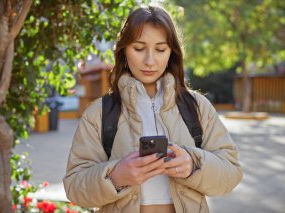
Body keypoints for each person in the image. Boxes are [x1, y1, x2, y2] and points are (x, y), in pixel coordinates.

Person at [63, 5, 242, 213]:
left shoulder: (197, 106)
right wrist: (116, 176)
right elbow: (75, 187)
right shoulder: (99, 113)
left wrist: (193, 165)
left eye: (160, 49)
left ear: (172, 53)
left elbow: (231, 173)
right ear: (123, 50)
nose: (150, 61)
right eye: (139, 48)